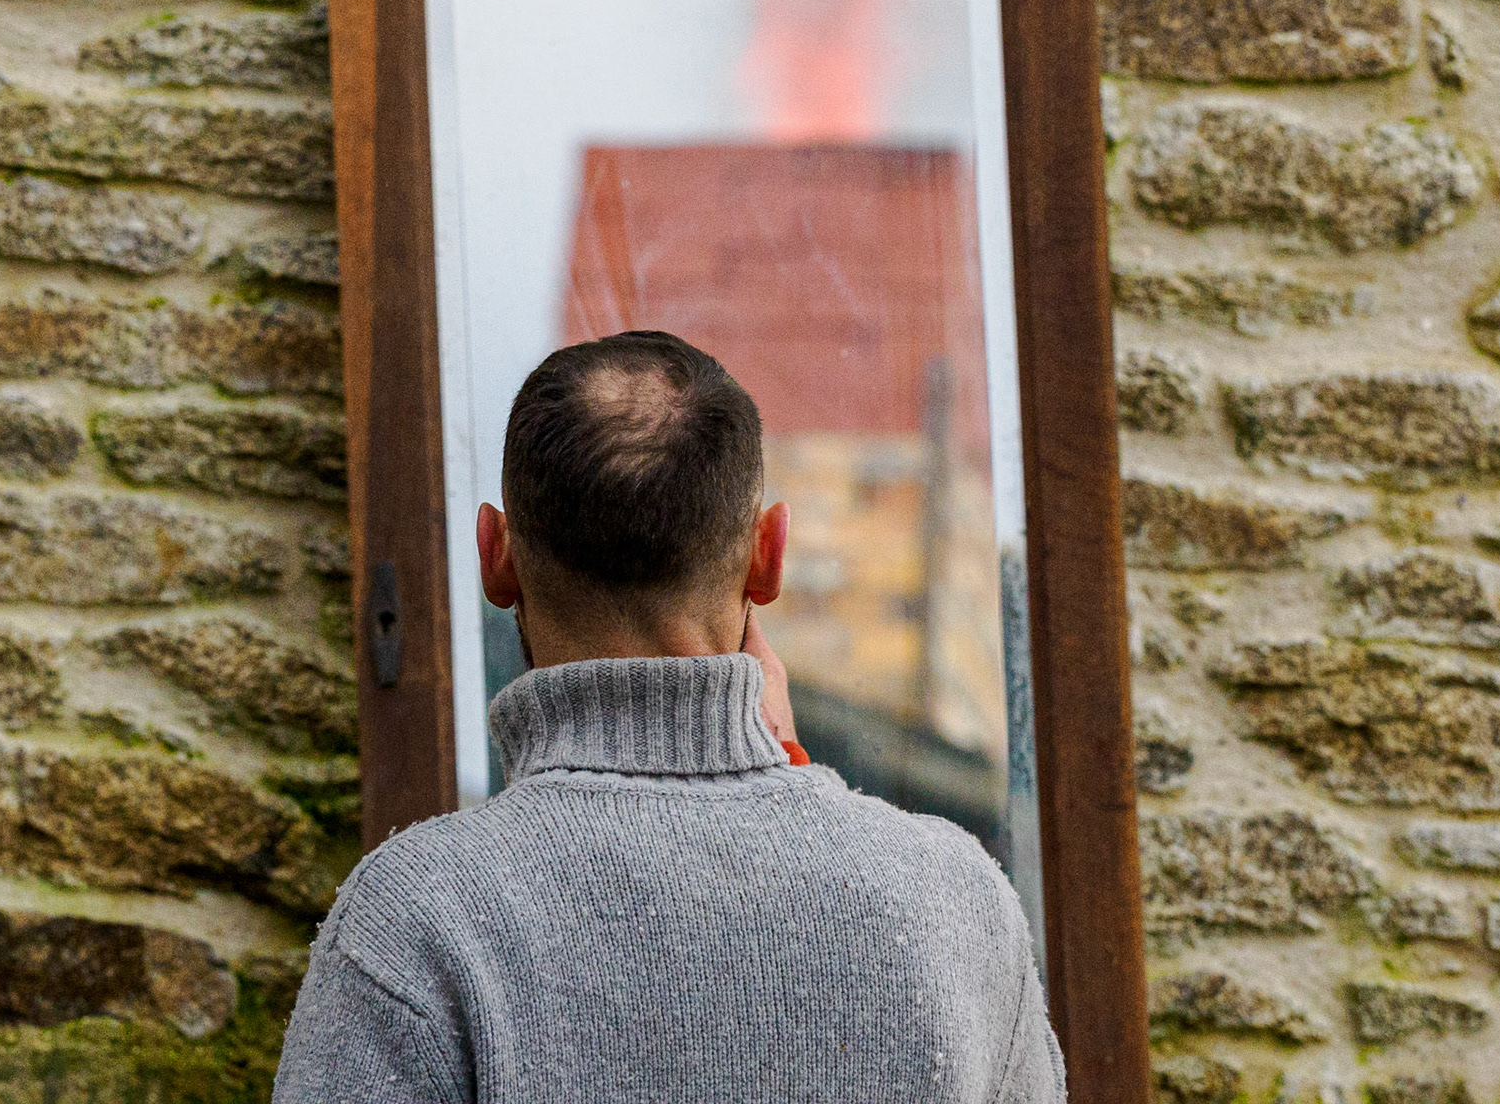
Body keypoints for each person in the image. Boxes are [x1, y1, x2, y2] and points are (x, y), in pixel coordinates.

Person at [274, 331, 1064, 1104]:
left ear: (495, 555)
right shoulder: (956, 904)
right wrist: (774, 764)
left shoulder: (417, 922)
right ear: (770, 555)